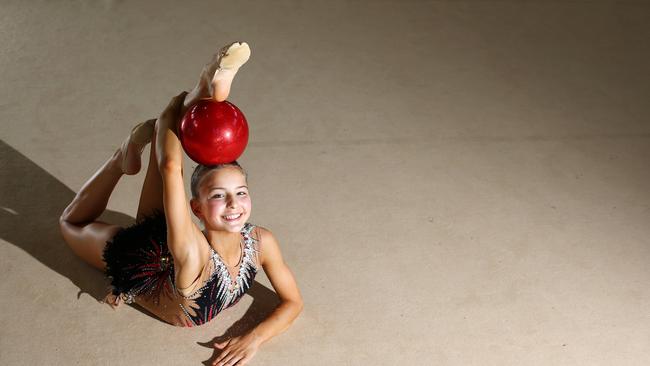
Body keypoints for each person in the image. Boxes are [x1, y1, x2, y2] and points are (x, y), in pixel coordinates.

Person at [59, 42, 303, 366]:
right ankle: (123, 156)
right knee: (69, 224)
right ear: (196, 209)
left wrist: (253, 338)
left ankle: (203, 87)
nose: (234, 204)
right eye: (218, 196)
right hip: (142, 261)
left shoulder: (262, 242)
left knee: (170, 131)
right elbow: (172, 168)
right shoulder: (193, 253)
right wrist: (169, 113)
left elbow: (293, 302)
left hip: (166, 244)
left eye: (241, 192)